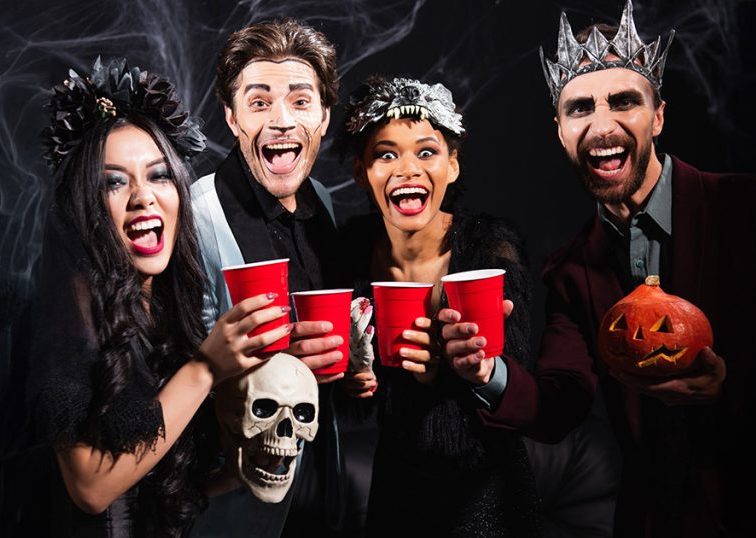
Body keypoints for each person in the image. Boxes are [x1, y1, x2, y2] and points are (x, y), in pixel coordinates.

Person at [532, 1, 756, 536]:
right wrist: (482, 371)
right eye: (580, 109)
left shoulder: (752, 211)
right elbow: (558, 400)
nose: (602, 126)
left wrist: (736, 388)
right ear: (560, 131)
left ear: (658, 115)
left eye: (623, 101)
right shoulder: (569, 272)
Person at [29, 57, 292, 537]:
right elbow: (90, 489)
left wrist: (243, 466)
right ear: (85, 206)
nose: (142, 197)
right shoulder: (71, 313)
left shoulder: (173, 307)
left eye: (158, 175)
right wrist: (206, 367)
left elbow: (158, 478)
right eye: (113, 182)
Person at [338, 75, 544, 536]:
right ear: (361, 171)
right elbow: (350, 410)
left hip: (488, 488)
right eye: (386, 154)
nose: (407, 168)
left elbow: (515, 384)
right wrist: (354, 381)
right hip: (396, 487)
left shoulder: (490, 248)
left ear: (452, 166)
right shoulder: (350, 254)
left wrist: (464, 370)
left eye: (426, 152)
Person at [189, 18, 361, 537]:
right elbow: (167, 371)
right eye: (260, 102)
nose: (282, 121)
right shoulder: (195, 215)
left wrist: (356, 367)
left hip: (318, 486)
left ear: (325, 117)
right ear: (232, 117)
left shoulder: (324, 205)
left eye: (301, 101)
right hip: (228, 504)